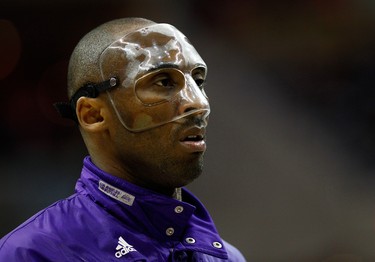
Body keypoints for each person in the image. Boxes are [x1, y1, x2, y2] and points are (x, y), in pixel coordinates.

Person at [0, 17, 246, 261]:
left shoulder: (228, 258)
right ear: (93, 115)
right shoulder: (30, 254)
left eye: (198, 81)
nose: (199, 104)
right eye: (163, 82)